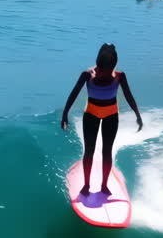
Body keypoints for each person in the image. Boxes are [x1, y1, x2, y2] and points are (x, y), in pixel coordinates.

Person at [60, 44, 142, 196]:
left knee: (107, 151)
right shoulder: (87, 75)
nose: (106, 73)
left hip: (111, 116)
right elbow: (74, 93)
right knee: (89, 152)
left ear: (113, 66)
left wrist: (137, 115)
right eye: (104, 70)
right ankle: (86, 185)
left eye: (109, 70)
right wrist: (65, 113)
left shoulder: (119, 76)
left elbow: (129, 95)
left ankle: (104, 185)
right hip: (91, 114)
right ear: (98, 64)